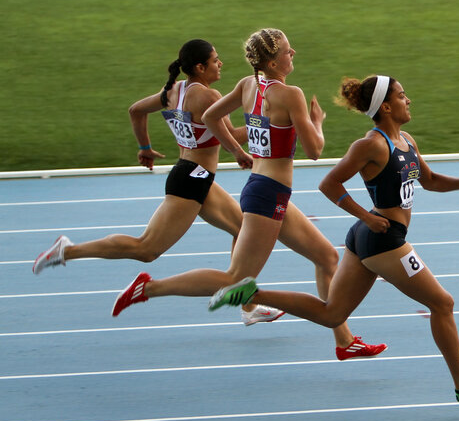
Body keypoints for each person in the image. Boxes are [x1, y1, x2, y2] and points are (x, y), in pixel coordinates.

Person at [208, 74, 459, 403]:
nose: (409, 101)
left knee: (332, 314)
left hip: (369, 238)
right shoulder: (371, 145)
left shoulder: (406, 141)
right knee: (443, 303)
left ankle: (253, 292)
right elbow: (329, 184)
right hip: (384, 238)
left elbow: (431, 180)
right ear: (387, 106)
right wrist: (365, 215)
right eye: (403, 96)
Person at [112, 28, 386, 361]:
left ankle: (344, 341)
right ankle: (150, 288)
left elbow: (212, 118)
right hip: (268, 194)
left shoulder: (247, 85)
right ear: (272, 62)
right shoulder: (291, 95)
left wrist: (238, 150)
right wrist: (317, 122)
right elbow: (314, 150)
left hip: (265, 190)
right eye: (287, 51)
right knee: (235, 279)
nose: (293, 53)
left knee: (327, 257)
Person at [32, 38, 283, 326]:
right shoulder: (208, 97)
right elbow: (229, 135)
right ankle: (68, 250)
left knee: (242, 229)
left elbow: (135, 110)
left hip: (193, 175)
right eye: (216, 60)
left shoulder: (174, 91)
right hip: (191, 182)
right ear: (200, 67)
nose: (220, 64)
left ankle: (247, 305)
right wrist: (263, 125)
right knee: (146, 249)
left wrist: (144, 147)